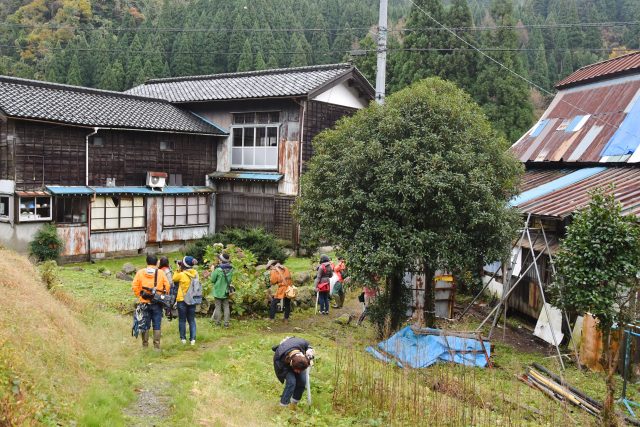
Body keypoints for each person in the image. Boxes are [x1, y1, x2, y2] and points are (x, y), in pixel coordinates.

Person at [132, 254, 171, 349]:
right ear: (156, 262)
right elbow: (168, 286)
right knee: (157, 324)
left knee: (144, 324)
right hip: (157, 303)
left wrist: (140, 295)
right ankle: (156, 347)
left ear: (147, 262)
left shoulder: (140, 272)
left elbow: (134, 286)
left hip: (144, 302)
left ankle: (145, 345)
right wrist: (161, 295)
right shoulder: (161, 273)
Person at [272, 337, 314, 408]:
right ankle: (283, 405)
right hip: (284, 366)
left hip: (297, 362)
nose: (298, 372)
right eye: (297, 370)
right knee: (291, 382)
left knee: (302, 381)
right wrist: (287, 373)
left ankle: (294, 403)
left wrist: (309, 350)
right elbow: (279, 369)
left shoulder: (301, 343)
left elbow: (307, 345)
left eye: (300, 370)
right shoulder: (280, 355)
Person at [173, 256, 199, 345]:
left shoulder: (181, 274)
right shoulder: (195, 273)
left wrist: (178, 268)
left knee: (182, 320)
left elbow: (174, 279)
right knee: (192, 320)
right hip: (192, 299)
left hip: (182, 300)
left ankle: (183, 339)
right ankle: (193, 340)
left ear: (183, 264)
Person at [210, 253, 233, 328]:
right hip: (226, 291)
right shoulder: (231, 269)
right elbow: (229, 280)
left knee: (218, 307)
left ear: (221, 260)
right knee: (226, 307)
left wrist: (213, 270)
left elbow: (212, 280)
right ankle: (226, 324)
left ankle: (218, 323)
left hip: (218, 291)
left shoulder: (218, 270)